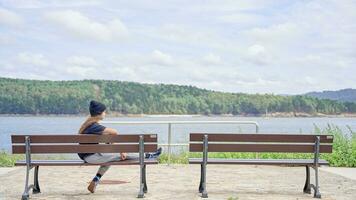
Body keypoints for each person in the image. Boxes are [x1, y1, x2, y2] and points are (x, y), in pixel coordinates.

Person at [78, 100, 162, 193]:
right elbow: (114, 132)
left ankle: (95, 180)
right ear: (99, 113)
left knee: (111, 158)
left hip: (90, 156)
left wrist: (119, 149)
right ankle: (148, 156)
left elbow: (108, 138)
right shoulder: (94, 126)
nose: (105, 113)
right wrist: (121, 151)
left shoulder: (88, 125)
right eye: (104, 111)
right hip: (92, 157)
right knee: (119, 156)